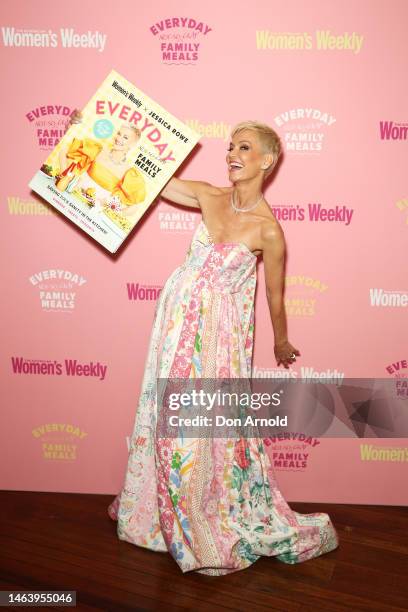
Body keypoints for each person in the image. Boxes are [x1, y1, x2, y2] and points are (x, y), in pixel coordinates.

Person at [69, 111, 339, 575]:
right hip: (174, 328)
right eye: (231, 147)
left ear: (268, 161)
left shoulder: (269, 230)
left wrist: (282, 340)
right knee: (165, 414)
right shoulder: (208, 195)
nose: (233, 154)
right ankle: (155, 513)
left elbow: (274, 295)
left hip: (217, 341)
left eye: (244, 148)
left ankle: (200, 511)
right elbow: (155, 179)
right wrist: (96, 138)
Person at [58, 119, 146, 219]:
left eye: (125, 137)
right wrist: (64, 175)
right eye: (118, 133)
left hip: (93, 214)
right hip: (70, 197)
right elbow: (64, 149)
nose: (119, 138)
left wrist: (113, 211)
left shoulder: (129, 171)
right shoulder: (98, 149)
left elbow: (136, 205)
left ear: (132, 145)